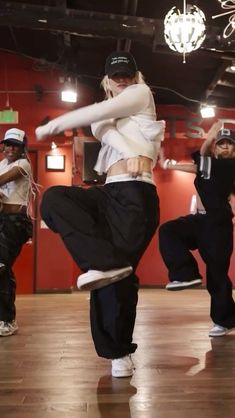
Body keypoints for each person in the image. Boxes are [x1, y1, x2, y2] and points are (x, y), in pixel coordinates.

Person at [35, 51, 165, 377]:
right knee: (54, 200)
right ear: (107, 79)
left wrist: (53, 125)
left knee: (115, 280)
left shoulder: (141, 94)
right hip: (109, 192)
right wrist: (138, 152)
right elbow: (105, 126)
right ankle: (103, 264)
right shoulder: (102, 117)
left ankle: (119, 350)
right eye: (116, 76)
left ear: (135, 76)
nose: (122, 80)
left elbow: (105, 116)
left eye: (127, 75)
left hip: (137, 196)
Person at [158, 121, 235, 337]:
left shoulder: (229, 165)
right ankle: (185, 274)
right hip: (199, 221)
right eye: (221, 144)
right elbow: (196, 167)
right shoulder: (207, 167)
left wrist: (209, 139)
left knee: (217, 274)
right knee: (168, 231)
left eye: (230, 144)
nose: (225, 147)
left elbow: (202, 156)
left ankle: (225, 320)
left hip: (218, 226)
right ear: (216, 148)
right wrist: (168, 165)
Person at [0, 128, 34, 337]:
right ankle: (6, 319)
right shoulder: (2, 164)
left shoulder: (24, 165)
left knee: (1, 266)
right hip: (2, 220)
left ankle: (7, 320)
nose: (10, 148)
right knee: (3, 270)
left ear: (22, 148)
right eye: (7, 144)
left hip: (16, 223)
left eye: (15, 145)